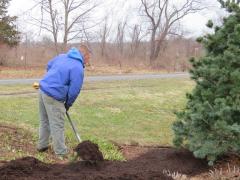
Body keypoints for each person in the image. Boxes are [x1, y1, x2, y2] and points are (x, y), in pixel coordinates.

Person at [37, 45, 90, 156]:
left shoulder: (62, 57)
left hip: (42, 90)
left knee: (44, 120)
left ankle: (42, 146)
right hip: (53, 96)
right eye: (88, 57)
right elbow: (74, 91)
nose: (88, 61)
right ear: (84, 55)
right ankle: (61, 152)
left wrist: (53, 79)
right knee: (57, 124)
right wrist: (68, 104)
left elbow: (49, 66)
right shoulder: (78, 67)